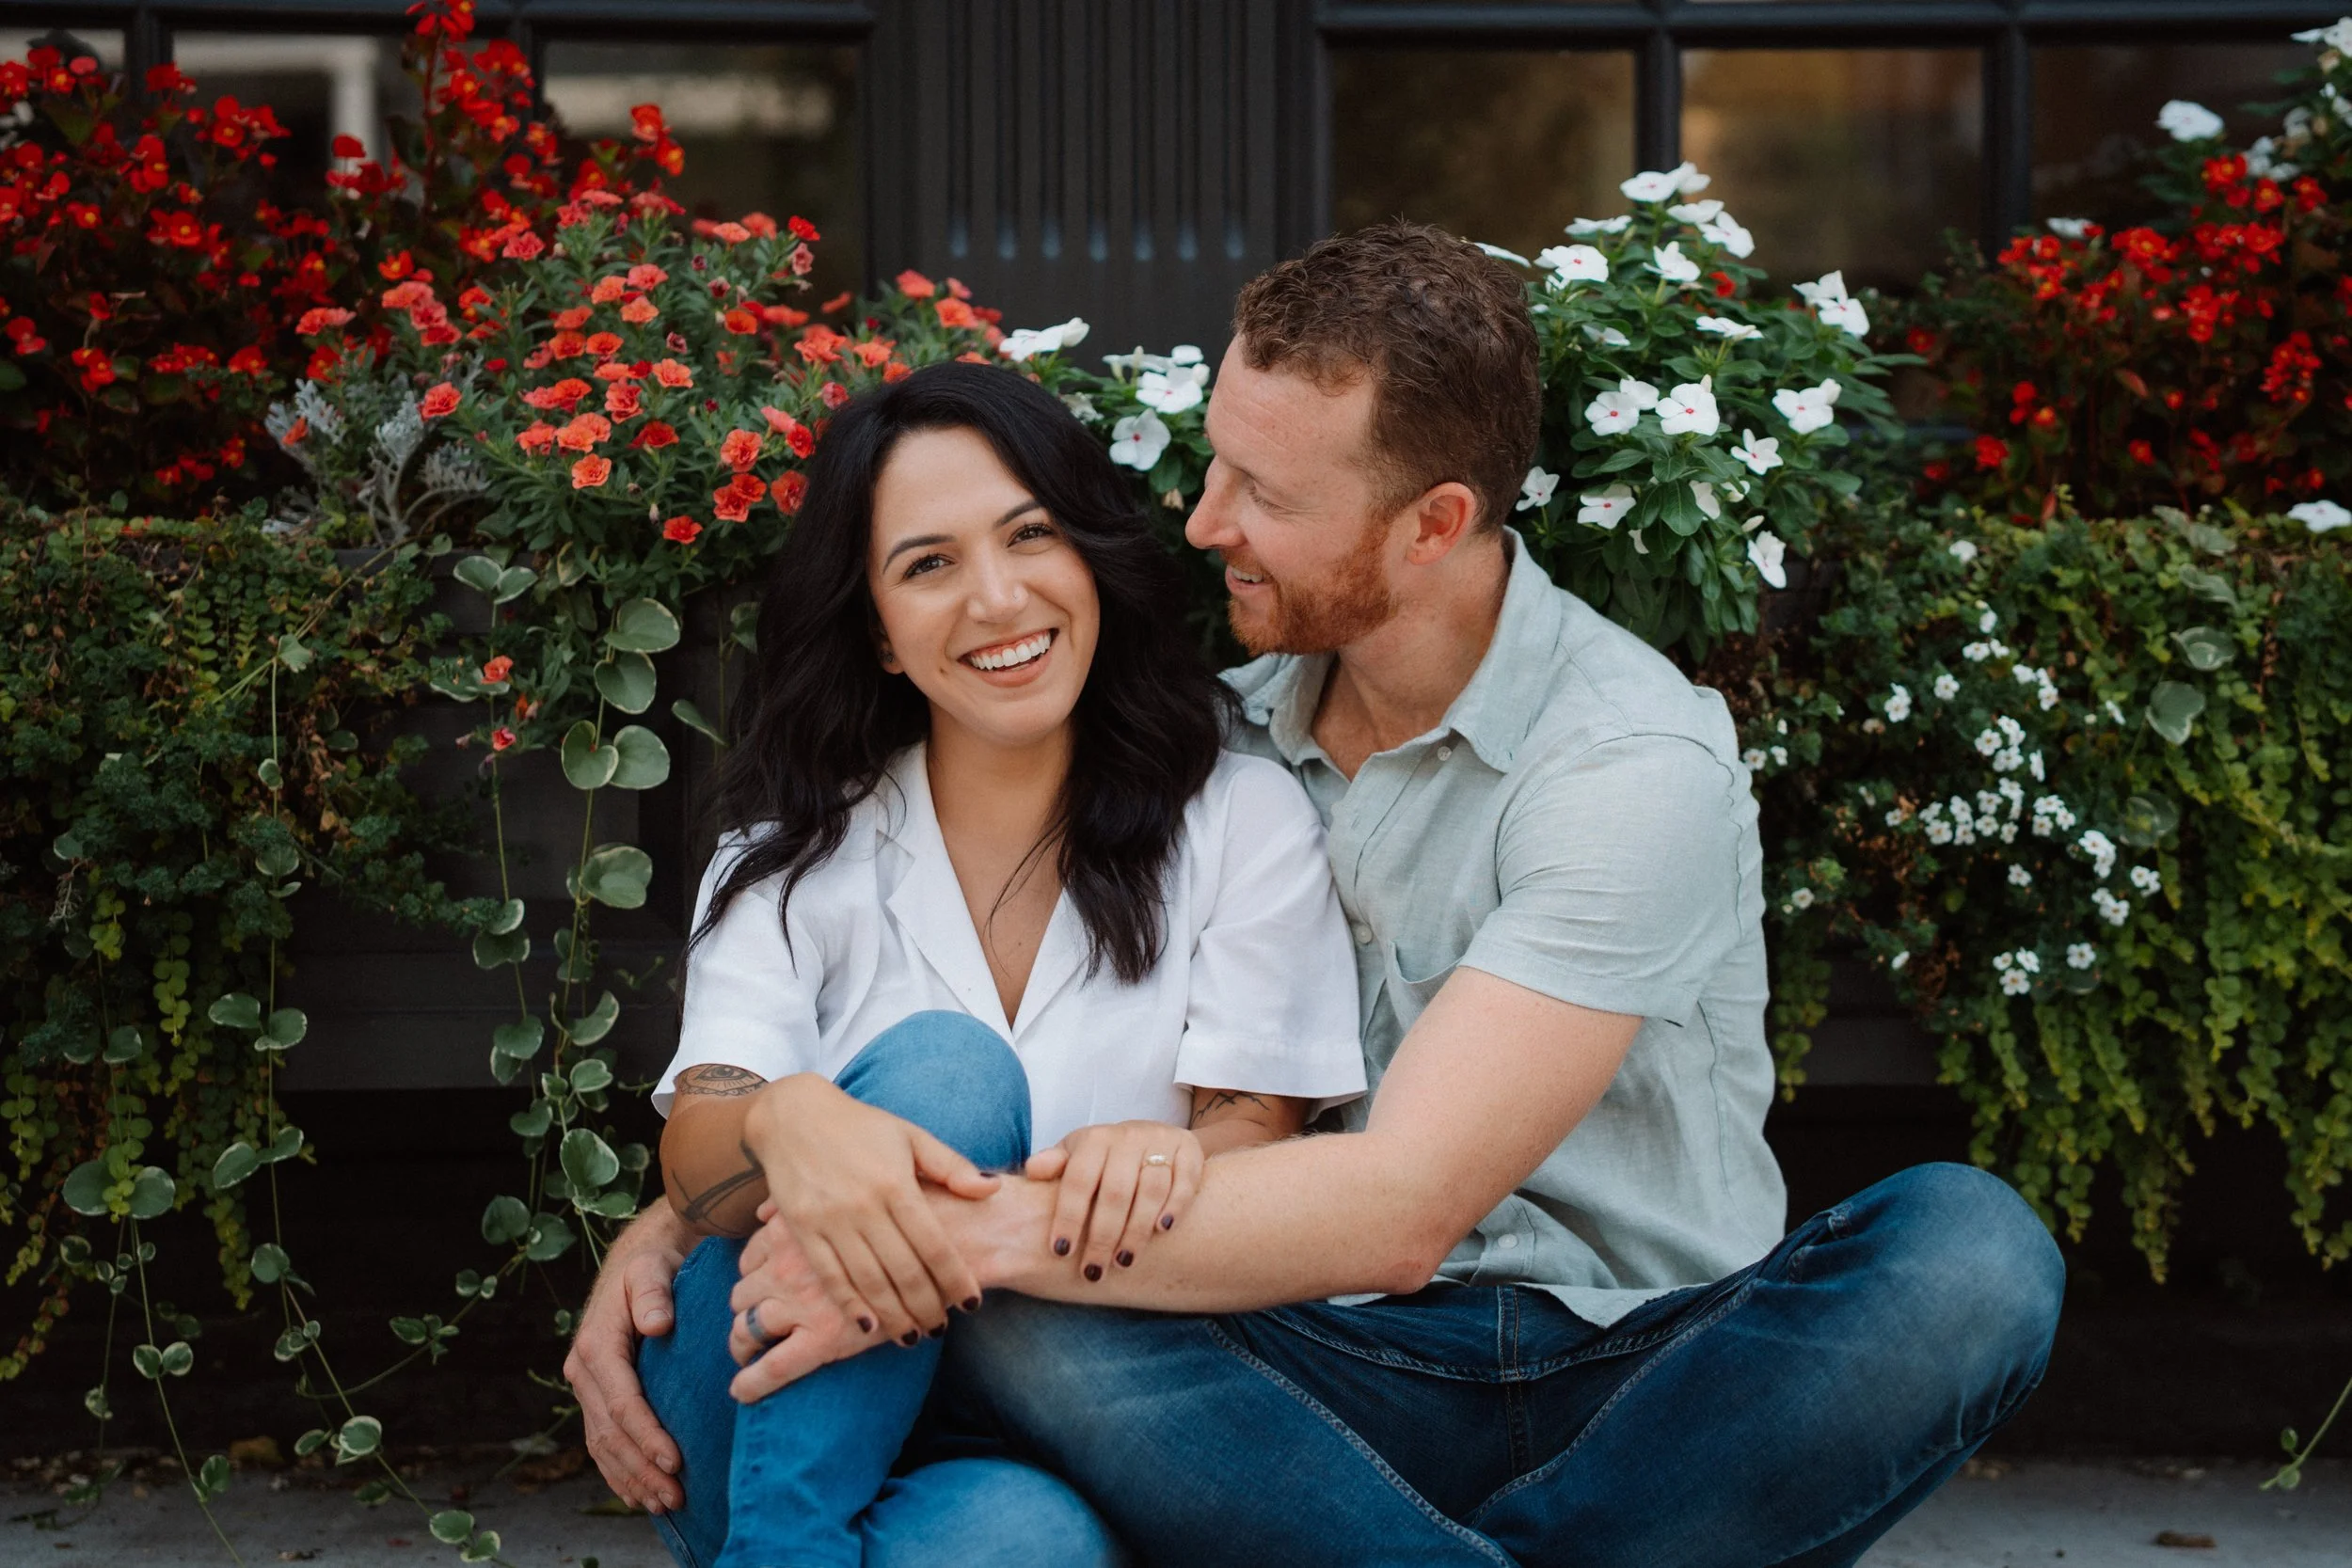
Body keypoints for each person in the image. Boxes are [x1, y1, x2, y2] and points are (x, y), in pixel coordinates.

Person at [571, 223, 2065, 1568]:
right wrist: (686, 1218)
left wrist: (931, 1235)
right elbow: (805, 1080)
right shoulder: (1214, 743)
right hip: (1310, 1359)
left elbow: (1402, 1206)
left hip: (1642, 1370)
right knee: (1030, 1301)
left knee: (1972, 1252)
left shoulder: (1627, 758)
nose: (1205, 518)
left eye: (1263, 491)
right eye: (1216, 460)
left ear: (1432, 522)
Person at [629, 360, 1368, 1567]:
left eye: (1031, 537)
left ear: (1090, 559)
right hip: (764, 1411)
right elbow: (700, 1148)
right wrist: (786, 1123)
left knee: (1034, 1546)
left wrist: (1178, 1145)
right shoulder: (784, 862)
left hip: (1045, 1438)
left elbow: (1260, 1126)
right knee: (942, 1069)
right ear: (876, 630)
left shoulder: (1238, 819)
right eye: (928, 565)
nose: (996, 597)